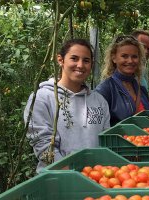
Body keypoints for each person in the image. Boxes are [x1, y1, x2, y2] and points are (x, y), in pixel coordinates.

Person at [24, 39, 110, 172]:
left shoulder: (99, 101)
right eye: (74, 59)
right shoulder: (42, 98)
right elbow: (43, 144)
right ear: (60, 60)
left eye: (86, 60)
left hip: (96, 178)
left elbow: (105, 141)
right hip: (57, 180)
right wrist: (70, 174)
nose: (80, 65)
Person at [96, 35, 149, 126]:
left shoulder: (141, 89)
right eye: (124, 56)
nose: (130, 61)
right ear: (114, 58)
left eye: (134, 56)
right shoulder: (105, 90)